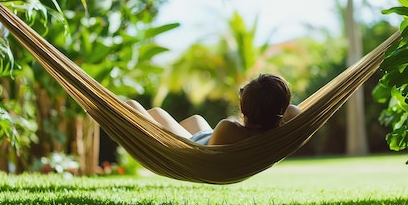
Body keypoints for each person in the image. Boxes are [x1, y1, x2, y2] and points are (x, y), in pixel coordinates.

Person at [125, 74, 301, 146]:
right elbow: (294, 112)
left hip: (190, 148)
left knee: (132, 106)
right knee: (187, 118)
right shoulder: (275, 131)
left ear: (244, 107)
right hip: (202, 139)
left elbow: (203, 152)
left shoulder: (229, 128)